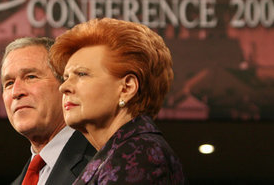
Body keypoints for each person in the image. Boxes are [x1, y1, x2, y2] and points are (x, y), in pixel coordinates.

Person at [50, 18, 186, 184]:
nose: (63, 87)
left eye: (82, 74)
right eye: (65, 77)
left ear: (126, 88)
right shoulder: (118, 153)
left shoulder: (140, 155)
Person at [1, 37, 95, 185]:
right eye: (9, 83)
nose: (15, 92)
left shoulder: (103, 163)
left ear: (66, 86)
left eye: (31, 77)